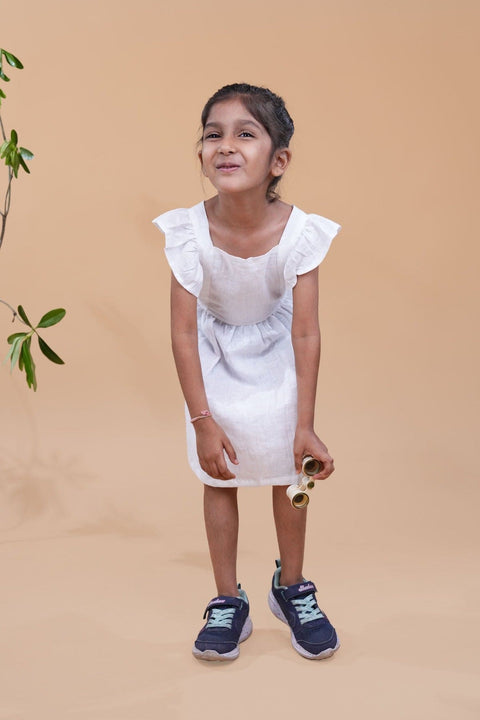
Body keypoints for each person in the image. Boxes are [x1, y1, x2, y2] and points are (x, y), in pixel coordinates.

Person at [153, 83, 341, 662]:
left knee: (289, 464)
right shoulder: (187, 232)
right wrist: (202, 420)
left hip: (278, 351)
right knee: (219, 473)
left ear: (278, 161)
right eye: (213, 134)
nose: (226, 145)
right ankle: (227, 599)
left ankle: (292, 587)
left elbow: (305, 333)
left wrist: (305, 424)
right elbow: (183, 332)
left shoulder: (301, 232)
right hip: (214, 356)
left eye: (245, 134)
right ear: (201, 154)